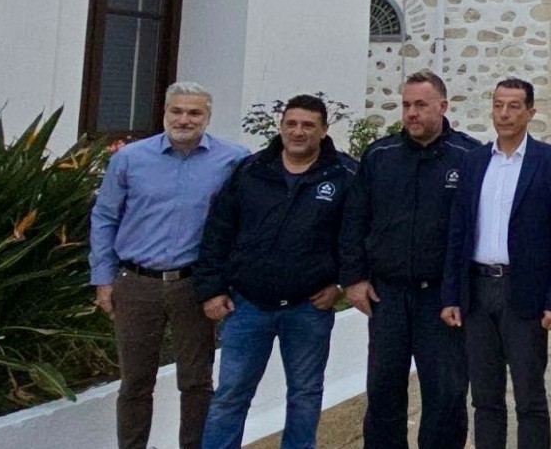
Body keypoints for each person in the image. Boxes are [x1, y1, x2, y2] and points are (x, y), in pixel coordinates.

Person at [89, 82, 249, 449]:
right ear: (164, 112)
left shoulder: (234, 159)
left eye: (194, 112)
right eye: (177, 111)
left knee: (196, 382)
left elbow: (245, 219)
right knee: (135, 382)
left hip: (194, 285)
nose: (184, 119)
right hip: (136, 283)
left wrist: (227, 281)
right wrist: (103, 278)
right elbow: (104, 217)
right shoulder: (130, 159)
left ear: (208, 116)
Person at [193, 94, 356, 449]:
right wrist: (212, 289)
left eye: (308, 125)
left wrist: (341, 283)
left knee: (305, 394)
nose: (298, 132)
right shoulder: (250, 171)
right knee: (230, 395)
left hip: (308, 308)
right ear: (280, 127)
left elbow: (357, 236)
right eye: (291, 124)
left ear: (324, 130)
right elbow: (219, 230)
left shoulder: (345, 175)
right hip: (247, 306)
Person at [340, 70, 480, 449]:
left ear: (443, 106)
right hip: (387, 296)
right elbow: (354, 219)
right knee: (383, 390)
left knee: (446, 393)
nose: (411, 113)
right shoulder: (379, 156)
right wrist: (353, 278)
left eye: (420, 104)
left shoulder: (470, 157)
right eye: (406, 105)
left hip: (442, 298)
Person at [440, 78, 551, 449]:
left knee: (530, 398)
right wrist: (451, 295)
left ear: (530, 112)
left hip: (525, 292)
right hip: (478, 290)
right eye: (498, 104)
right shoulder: (474, 161)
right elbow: (458, 231)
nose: (504, 113)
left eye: (514, 106)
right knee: (485, 398)